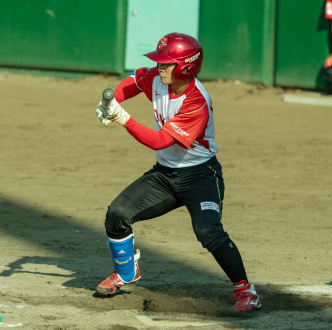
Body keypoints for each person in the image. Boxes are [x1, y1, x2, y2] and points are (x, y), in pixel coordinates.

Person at [94, 32, 261, 312]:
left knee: (208, 231)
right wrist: (113, 102)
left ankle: (245, 290)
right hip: (164, 175)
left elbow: (160, 141)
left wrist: (122, 118)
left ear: (186, 67)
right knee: (117, 214)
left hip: (201, 176)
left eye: (166, 63)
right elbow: (134, 81)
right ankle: (125, 272)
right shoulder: (159, 80)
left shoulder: (196, 101)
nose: (159, 67)